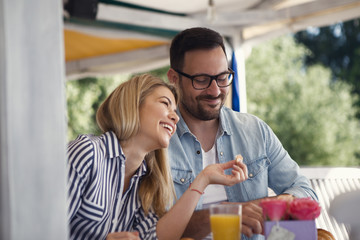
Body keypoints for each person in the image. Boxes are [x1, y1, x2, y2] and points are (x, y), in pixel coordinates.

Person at [166, 27, 318, 240]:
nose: (215, 90)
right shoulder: (156, 141)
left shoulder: (254, 130)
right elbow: (150, 229)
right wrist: (227, 215)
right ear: (174, 78)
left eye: (222, 77)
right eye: (201, 80)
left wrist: (262, 207)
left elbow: (306, 192)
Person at [66, 74, 248, 240]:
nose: (175, 117)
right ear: (134, 104)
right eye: (164, 103)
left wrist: (203, 178)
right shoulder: (87, 153)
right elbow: (40, 229)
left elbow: (158, 237)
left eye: (175, 111)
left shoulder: (147, 182)